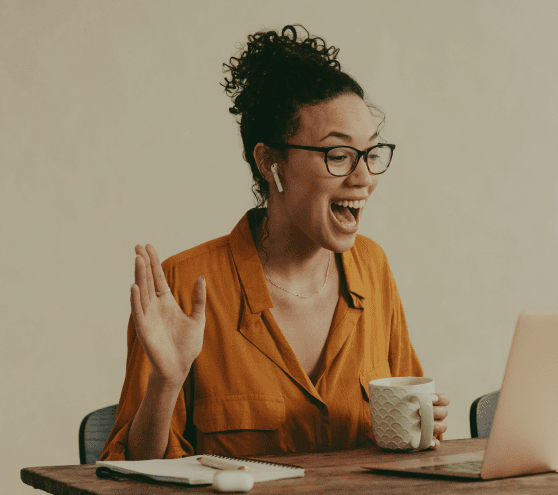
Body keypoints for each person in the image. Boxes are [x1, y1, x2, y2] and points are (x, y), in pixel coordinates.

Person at [100, 25, 449, 461]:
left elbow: (413, 447)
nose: (364, 178)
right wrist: (166, 383)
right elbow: (131, 477)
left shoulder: (372, 267)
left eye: (372, 154)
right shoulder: (184, 284)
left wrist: (421, 428)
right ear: (269, 162)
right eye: (338, 155)